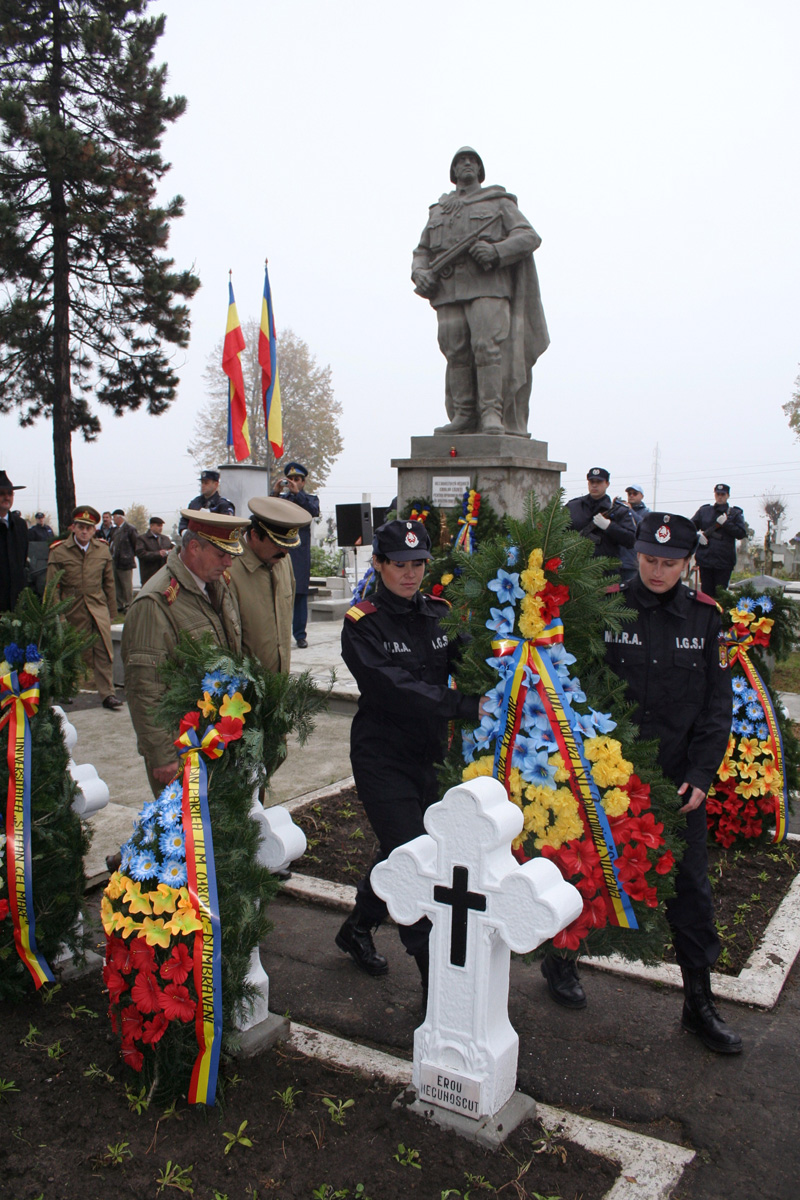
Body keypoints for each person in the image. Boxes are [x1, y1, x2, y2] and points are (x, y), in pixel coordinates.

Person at [543, 512, 741, 1055]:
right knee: (580, 872)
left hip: (679, 784)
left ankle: (698, 1003)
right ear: (637, 556)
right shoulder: (607, 603)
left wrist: (702, 775)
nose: (657, 570)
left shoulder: (707, 620)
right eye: (650, 560)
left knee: (691, 893)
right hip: (606, 778)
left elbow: (716, 708)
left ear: (688, 564)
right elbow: (572, 683)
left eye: (670, 562)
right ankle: (561, 960)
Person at [337, 519, 482, 995]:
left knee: (403, 848)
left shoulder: (440, 613)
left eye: (418, 564)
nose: (410, 574)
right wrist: (463, 706)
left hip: (432, 756)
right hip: (383, 758)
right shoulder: (362, 623)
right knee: (418, 862)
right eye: (399, 564)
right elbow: (394, 688)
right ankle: (435, 987)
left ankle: (357, 926)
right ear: (378, 564)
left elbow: (472, 659)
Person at [412, 147, 549, 437]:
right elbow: (422, 251)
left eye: (472, 161)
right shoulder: (438, 210)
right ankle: (463, 414)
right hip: (448, 292)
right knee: (455, 352)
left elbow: (529, 236)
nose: (467, 164)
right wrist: (419, 272)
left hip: (489, 288)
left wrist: (496, 251)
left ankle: (491, 414)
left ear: (480, 170)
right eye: (461, 161)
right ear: (453, 172)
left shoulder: (498, 202)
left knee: (487, 348)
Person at [121, 510, 245, 798]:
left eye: (231, 555)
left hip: (217, 736)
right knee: (188, 837)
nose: (229, 562)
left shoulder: (217, 583)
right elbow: (144, 688)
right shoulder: (157, 602)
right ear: (194, 548)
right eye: (220, 554)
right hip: (182, 747)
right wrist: (162, 755)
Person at [46, 505, 122, 710]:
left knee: (104, 650)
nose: (84, 531)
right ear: (73, 527)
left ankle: (108, 694)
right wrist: (57, 613)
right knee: (69, 650)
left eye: (88, 527)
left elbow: (109, 583)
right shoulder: (59, 551)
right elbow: (52, 586)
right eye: (80, 526)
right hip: (71, 607)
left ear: (94, 529)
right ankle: (64, 690)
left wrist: (111, 612)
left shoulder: (102, 549)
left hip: (97, 607)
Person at [227, 497, 312, 674]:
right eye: (278, 544)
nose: (285, 552)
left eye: (288, 545)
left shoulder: (283, 561)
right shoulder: (229, 570)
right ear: (255, 535)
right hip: (243, 693)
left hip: (278, 684)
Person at [272, 462, 319, 649]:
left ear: (303, 482)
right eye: (290, 479)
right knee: (278, 593)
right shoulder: (282, 500)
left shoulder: (310, 499)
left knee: (299, 595)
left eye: (297, 480)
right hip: (281, 552)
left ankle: (300, 635)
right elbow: (269, 510)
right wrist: (275, 493)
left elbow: (313, 511)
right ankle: (277, 632)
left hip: (299, 553)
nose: (293, 482)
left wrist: (297, 494)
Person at [565, 468, 636, 566]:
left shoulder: (619, 510)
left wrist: (610, 526)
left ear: (607, 484)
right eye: (591, 482)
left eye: (599, 482)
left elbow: (631, 540)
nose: (594, 485)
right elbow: (559, 532)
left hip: (606, 571)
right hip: (576, 568)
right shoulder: (573, 506)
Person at [691, 484, 747, 597]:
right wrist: (697, 536)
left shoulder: (734, 513)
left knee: (721, 595)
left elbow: (741, 533)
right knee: (706, 594)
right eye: (718, 494)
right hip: (706, 559)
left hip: (724, 561)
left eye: (723, 494)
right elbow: (690, 527)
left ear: (728, 495)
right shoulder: (704, 511)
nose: (720, 497)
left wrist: (726, 524)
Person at [0, 470, 29, 613]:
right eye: (2, 494)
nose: (7, 497)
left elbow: (22, 561)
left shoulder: (20, 525)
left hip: (16, 602)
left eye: (10, 494)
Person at [618, 485, 650, 583]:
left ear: (642, 496)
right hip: (618, 560)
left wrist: (629, 510)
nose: (631, 496)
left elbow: (642, 528)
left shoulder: (646, 513)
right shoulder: (621, 511)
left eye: (635, 493)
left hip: (633, 562)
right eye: (629, 493)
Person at [110, 508, 138, 612]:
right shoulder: (116, 530)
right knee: (117, 584)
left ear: (119, 517)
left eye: (114, 517)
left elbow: (136, 544)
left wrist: (129, 556)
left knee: (126, 585)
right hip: (116, 561)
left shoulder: (130, 529)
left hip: (125, 562)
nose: (113, 520)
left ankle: (129, 605)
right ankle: (119, 605)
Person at [135, 517, 173, 585]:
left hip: (164, 575)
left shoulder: (165, 539)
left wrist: (172, 551)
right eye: (158, 525)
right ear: (151, 526)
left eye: (161, 526)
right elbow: (141, 554)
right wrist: (158, 554)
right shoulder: (142, 539)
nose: (160, 528)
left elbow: (173, 549)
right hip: (149, 575)